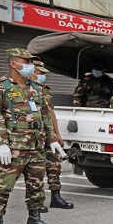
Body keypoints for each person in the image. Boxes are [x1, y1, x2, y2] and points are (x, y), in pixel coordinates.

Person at [0, 48, 67, 224]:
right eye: (26, 62)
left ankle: (35, 220)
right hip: (13, 149)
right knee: (2, 188)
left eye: (31, 62)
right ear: (14, 64)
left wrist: (52, 139)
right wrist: (2, 143)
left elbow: (44, 116)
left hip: (36, 147)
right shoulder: (0, 87)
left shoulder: (37, 87)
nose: (30, 66)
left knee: (36, 186)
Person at [30, 61, 74, 212]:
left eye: (43, 74)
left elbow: (51, 113)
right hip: (32, 135)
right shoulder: (24, 89)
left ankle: (56, 197)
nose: (42, 76)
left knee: (54, 165)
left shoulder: (44, 90)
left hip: (48, 133)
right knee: (36, 170)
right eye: (40, 73)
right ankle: (37, 202)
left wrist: (57, 134)